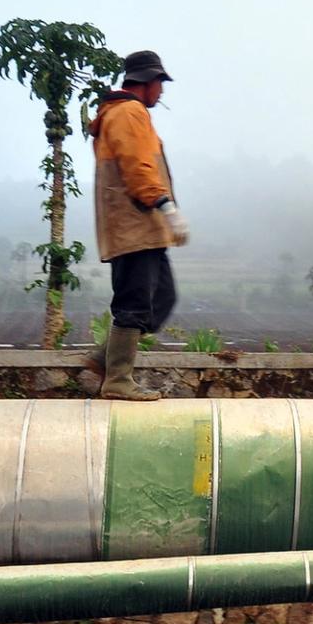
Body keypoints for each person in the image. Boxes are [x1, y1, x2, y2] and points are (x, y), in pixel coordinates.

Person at [87, 49, 188, 400]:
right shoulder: (128, 113)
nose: (162, 92)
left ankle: (105, 358)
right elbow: (137, 166)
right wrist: (164, 203)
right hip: (134, 225)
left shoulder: (124, 113)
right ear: (147, 81)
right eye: (160, 83)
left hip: (141, 227)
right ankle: (117, 379)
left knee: (162, 297)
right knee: (134, 302)